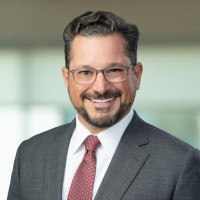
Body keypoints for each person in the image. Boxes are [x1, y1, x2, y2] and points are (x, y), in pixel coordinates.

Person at [8, 11, 200, 200]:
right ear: (67, 79)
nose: (100, 88)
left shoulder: (181, 163)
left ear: (137, 75)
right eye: (85, 72)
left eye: (114, 70)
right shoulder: (30, 154)